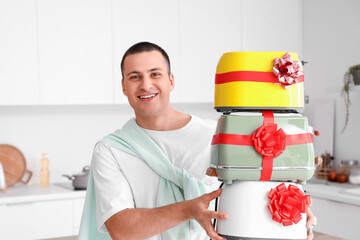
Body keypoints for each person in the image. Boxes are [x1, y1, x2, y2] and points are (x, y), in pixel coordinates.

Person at [81, 41, 316, 240]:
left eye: (155, 74)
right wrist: (187, 210)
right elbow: (120, 228)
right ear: (124, 86)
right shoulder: (111, 150)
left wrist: (294, 214)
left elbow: (257, 191)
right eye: (135, 77)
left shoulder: (218, 136)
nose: (146, 85)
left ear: (171, 81)